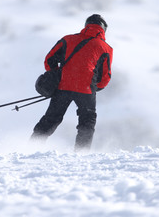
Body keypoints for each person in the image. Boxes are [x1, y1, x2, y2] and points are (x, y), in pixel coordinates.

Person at [31, 14, 113, 151]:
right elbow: (105, 77)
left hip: (63, 86)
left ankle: (31, 147)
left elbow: (49, 59)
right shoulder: (106, 48)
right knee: (87, 122)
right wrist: (94, 86)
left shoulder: (68, 39)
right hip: (86, 90)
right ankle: (81, 153)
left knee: (51, 118)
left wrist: (58, 75)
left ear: (86, 25)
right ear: (103, 29)